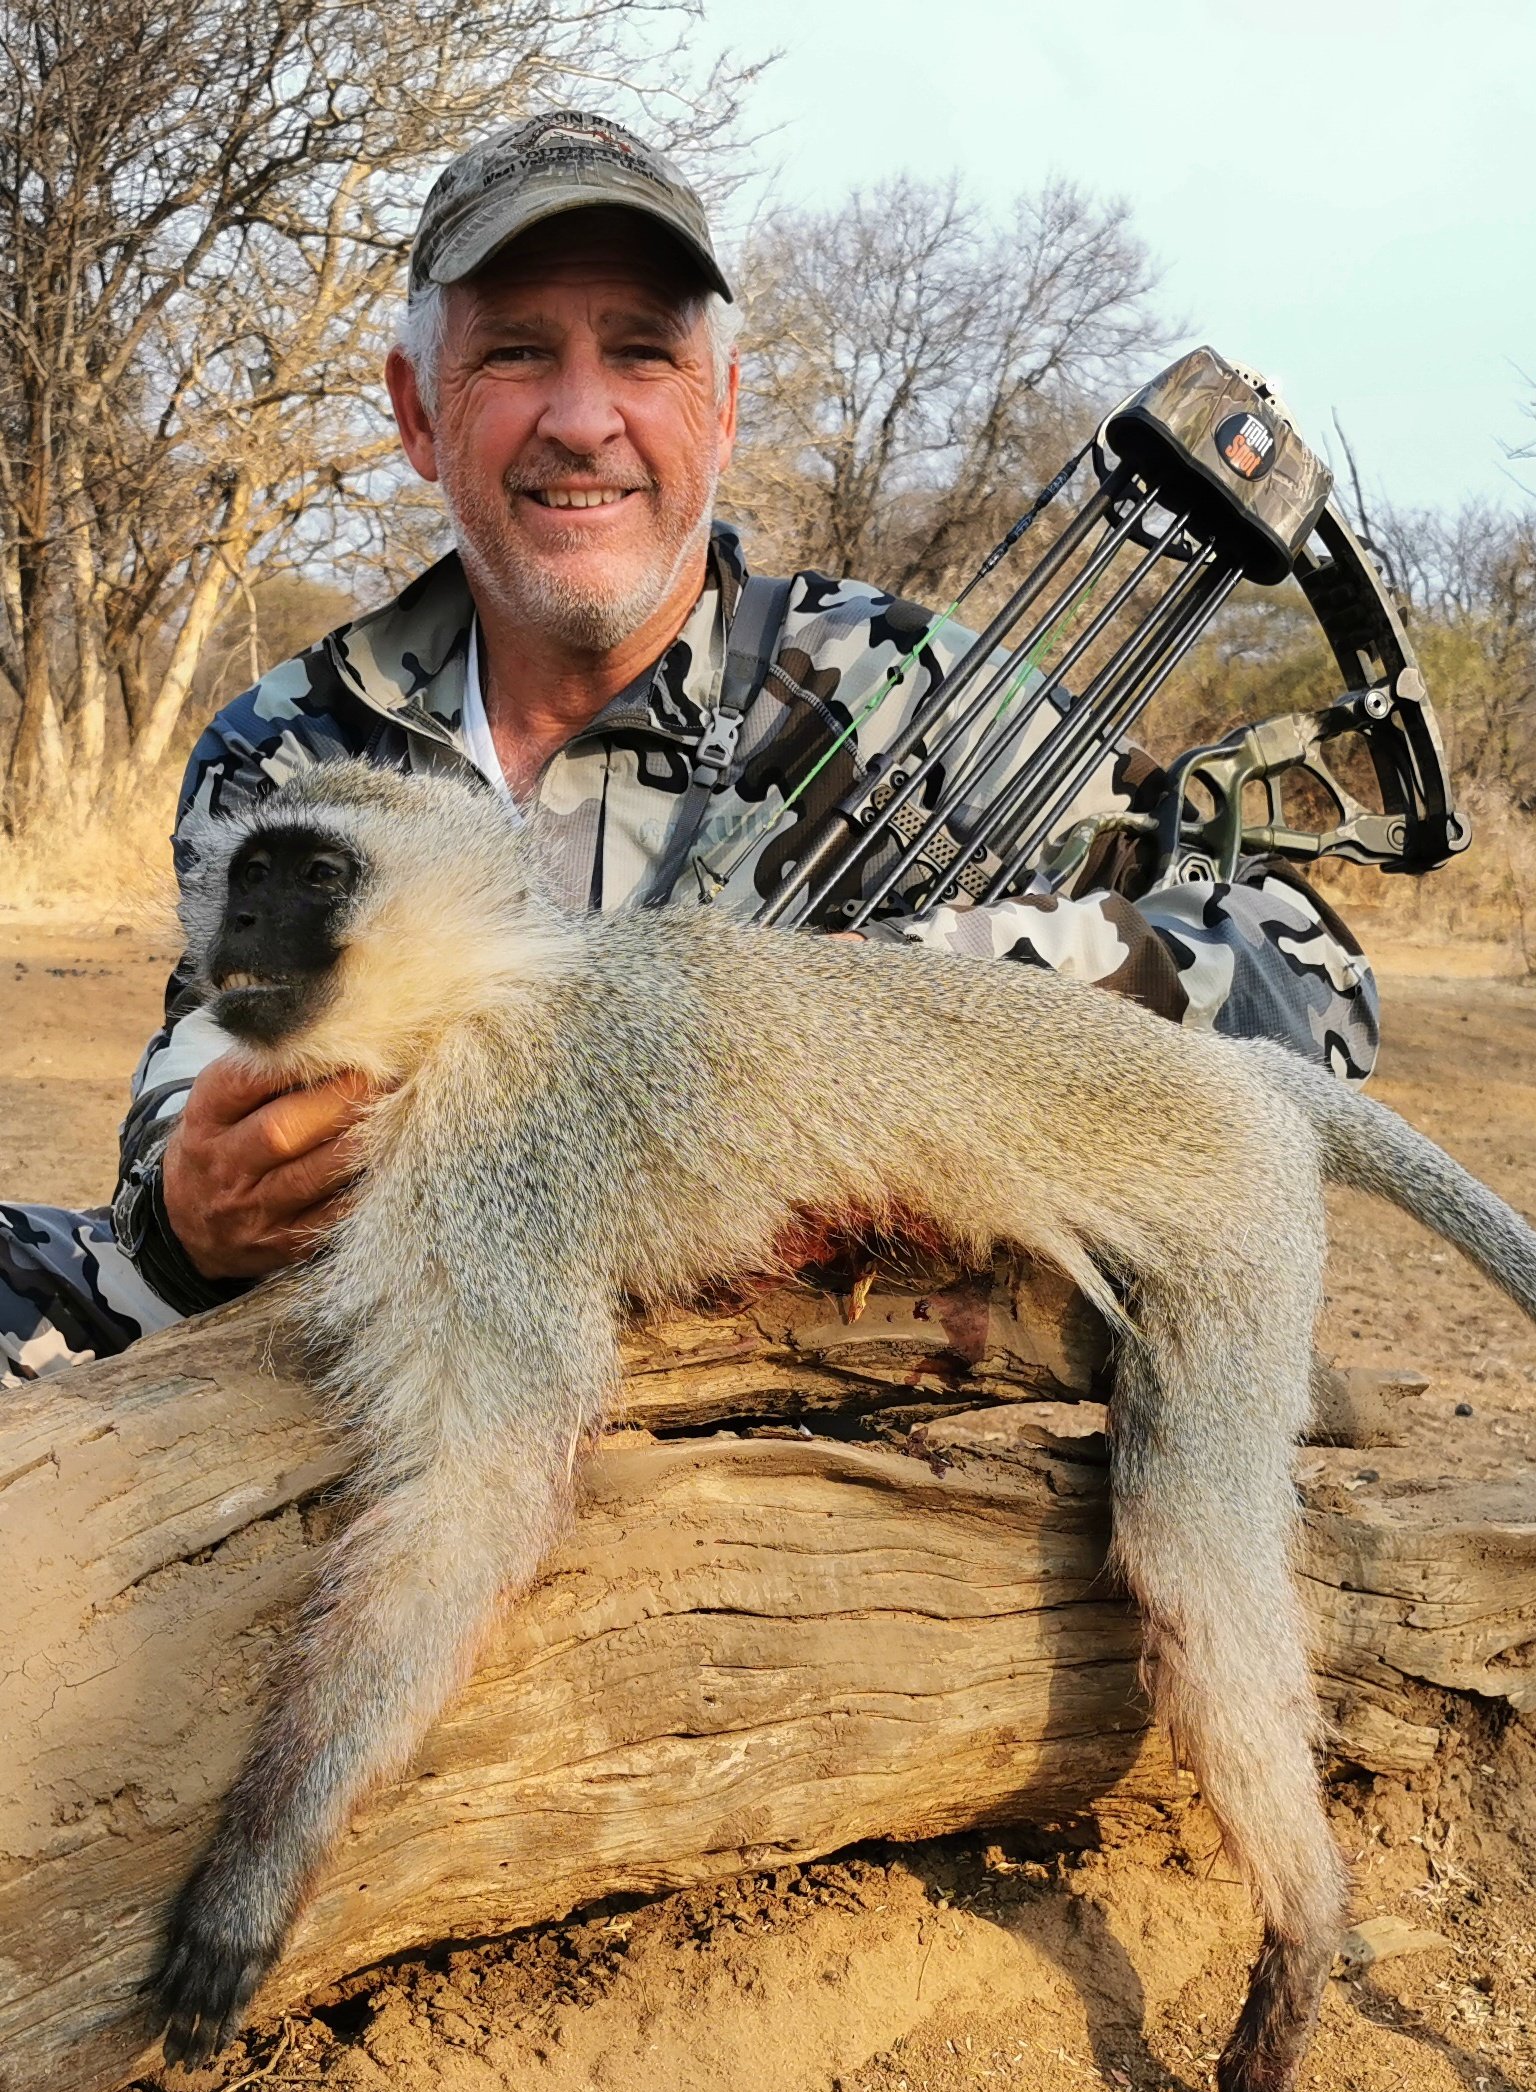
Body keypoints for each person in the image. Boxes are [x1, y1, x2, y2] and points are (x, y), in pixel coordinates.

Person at [1, 112, 1379, 1388]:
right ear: (419, 412)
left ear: (720, 412)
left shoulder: (902, 695)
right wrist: (192, 1208)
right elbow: (199, 1067)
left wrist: (907, 1004)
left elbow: (1305, 973)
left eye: (643, 353)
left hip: (805, 1372)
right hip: (392, 1334)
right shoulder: (295, 742)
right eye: (516, 351)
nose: (584, 418)